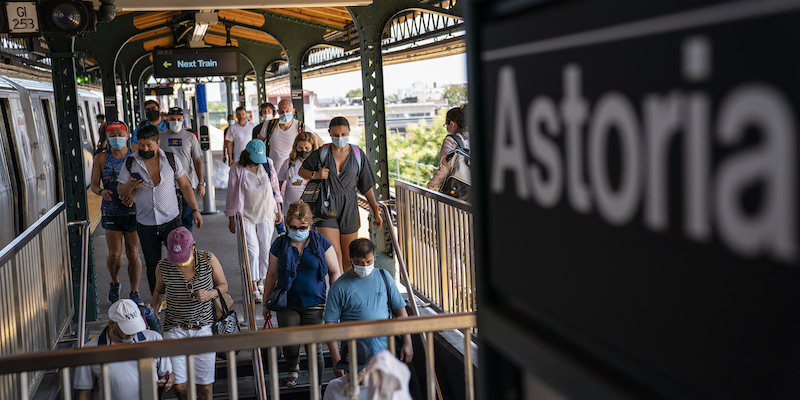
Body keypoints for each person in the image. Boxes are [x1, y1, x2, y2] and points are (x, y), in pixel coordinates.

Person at [262, 200, 341, 387]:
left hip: (316, 303)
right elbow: (272, 275)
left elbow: (334, 270)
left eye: (303, 227)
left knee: (315, 349)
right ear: (287, 225)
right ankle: (293, 366)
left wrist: (334, 298)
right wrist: (265, 303)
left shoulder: (320, 242)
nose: (298, 230)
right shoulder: (280, 244)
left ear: (309, 225)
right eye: (294, 227)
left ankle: (316, 384)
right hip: (287, 302)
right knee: (290, 341)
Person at [117, 125, 203, 295]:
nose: (145, 149)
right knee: (152, 263)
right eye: (141, 145)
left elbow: (185, 185)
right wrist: (130, 185)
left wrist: (195, 209)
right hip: (145, 222)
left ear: (158, 142)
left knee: (182, 260)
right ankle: (158, 298)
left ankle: (183, 294)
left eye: (149, 145)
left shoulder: (170, 159)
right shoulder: (131, 162)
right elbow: (120, 190)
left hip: (171, 220)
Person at [152, 227, 228, 400]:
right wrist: (154, 310)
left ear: (193, 245)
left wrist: (210, 294)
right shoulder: (163, 266)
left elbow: (223, 285)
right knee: (179, 386)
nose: (178, 262)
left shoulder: (208, 259)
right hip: (175, 329)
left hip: (204, 328)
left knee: (205, 387)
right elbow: (158, 291)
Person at [299, 117, 382, 272]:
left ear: (349, 131)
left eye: (343, 134)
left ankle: (347, 292)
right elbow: (302, 170)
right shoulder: (322, 152)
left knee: (349, 257)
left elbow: (366, 185)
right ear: (329, 133)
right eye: (336, 135)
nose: (340, 138)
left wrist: (375, 208)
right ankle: (336, 292)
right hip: (325, 206)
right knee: (333, 256)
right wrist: (315, 175)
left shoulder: (357, 154)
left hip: (349, 206)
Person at [324, 238, 412, 377]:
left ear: (373, 256)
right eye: (359, 262)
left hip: (385, 353)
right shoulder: (339, 287)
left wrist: (408, 341)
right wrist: (336, 359)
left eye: (368, 262)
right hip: (354, 359)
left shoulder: (384, 277)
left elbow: (400, 310)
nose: (364, 266)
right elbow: (330, 325)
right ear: (351, 259)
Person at [74, 299, 175, 400]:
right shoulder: (90, 350)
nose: (132, 333)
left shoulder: (154, 339)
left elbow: (169, 375)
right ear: (111, 324)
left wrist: (169, 380)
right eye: (127, 329)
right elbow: (83, 393)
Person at [89, 121, 143, 305]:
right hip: (110, 211)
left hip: (132, 211)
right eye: (112, 135)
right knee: (114, 254)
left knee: (133, 252)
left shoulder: (135, 157)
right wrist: (101, 192)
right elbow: (94, 185)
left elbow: (145, 182)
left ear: (127, 136)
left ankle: (134, 291)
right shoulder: (101, 158)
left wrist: (134, 195)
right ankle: (114, 282)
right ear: (107, 138)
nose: (117, 138)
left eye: (120, 134)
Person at [225, 139, 283, 302]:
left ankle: (261, 281)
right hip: (246, 214)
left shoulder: (267, 164)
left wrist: (278, 210)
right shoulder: (236, 168)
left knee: (265, 248)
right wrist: (231, 217)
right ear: (247, 155)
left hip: (266, 212)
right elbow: (231, 193)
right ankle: (252, 284)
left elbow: (275, 187)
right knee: (252, 250)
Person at [160, 107, 206, 232]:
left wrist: (201, 183)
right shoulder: (159, 137)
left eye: (179, 119)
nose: (176, 121)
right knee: (168, 220)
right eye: (173, 119)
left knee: (187, 218)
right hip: (165, 186)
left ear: (183, 119)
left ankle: (186, 246)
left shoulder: (190, 137)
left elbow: (197, 161)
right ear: (167, 119)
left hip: (185, 185)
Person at [257, 99, 323, 172]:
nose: (285, 114)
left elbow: (320, 143)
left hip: (293, 173)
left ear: (293, 111)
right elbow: (258, 143)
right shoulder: (269, 125)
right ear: (277, 112)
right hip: (273, 173)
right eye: (282, 112)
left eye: (287, 111)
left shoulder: (300, 128)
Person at [427, 106, 470, 191]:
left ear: (452, 123)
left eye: (446, 124)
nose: (447, 128)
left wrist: (432, 187)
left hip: (459, 190)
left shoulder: (451, 140)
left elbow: (445, 168)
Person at [278, 131, 318, 219]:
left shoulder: (317, 164)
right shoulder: (288, 163)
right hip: (290, 211)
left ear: (313, 147)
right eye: (300, 148)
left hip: (312, 211)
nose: (303, 150)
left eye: (307, 148)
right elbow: (279, 183)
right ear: (295, 148)